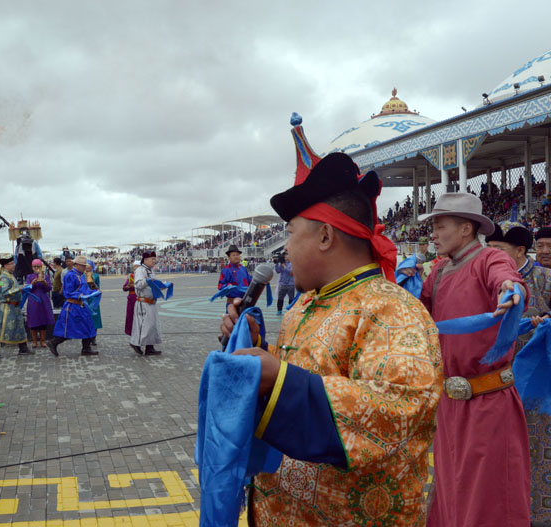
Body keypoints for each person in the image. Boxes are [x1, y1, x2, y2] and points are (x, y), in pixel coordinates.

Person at [220, 120, 441, 525]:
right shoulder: (304, 304)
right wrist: (259, 350)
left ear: (325, 236)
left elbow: (400, 406)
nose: (285, 249)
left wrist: (279, 380)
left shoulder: (392, 309)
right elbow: (309, 369)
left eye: (290, 234)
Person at [416, 193, 531, 526]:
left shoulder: (489, 258)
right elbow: (416, 313)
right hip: (449, 406)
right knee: (451, 492)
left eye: (440, 226)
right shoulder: (439, 271)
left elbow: (506, 278)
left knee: (490, 499)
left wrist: (510, 289)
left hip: (488, 402)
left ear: (466, 228)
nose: (433, 235)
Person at [486, 224, 551, 524]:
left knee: (536, 449)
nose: (490, 256)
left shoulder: (544, 278)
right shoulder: (487, 282)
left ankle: (537, 515)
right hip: (493, 381)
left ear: (520, 251)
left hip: (535, 385)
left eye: (498, 251)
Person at [47, 255, 97, 357]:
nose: (85, 267)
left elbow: (85, 289)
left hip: (82, 306)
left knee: (88, 326)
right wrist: (80, 295)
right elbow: (68, 292)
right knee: (69, 328)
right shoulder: (70, 275)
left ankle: (86, 348)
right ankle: (53, 342)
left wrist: (94, 291)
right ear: (77, 265)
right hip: (73, 306)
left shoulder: (81, 275)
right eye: (83, 266)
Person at [0, 257, 32, 355]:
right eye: (11, 263)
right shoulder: (4, 277)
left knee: (20, 328)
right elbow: (5, 292)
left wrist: (21, 288)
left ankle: (23, 348)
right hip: (7, 308)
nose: (14, 265)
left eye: (13, 263)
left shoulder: (11, 275)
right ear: (5, 266)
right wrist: (19, 289)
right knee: (2, 329)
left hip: (15, 307)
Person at [130, 251, 162, 356]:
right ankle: (135, 343)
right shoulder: (140, 270)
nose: (154, 261)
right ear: (146, 260)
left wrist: (163, 286)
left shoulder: (150, 270)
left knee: (151, 325)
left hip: (151, 301)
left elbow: (154, 284)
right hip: (143, 301)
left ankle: (150, 347)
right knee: (142, 325)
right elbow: (138, 285)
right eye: (152, 259)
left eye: (154, 259)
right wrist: (147, 281)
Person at [26, 259, 55, 349]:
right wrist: (32, 283)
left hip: (43, 300)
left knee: (43, 319)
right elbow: (27, 289)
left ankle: (43, 340)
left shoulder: (45, 276)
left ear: (41, 267)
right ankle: (34, 341)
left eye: (38, 266)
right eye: (34, 267)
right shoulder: (29, 276)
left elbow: (49, 288)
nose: (36, 268)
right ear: (32, 267)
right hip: (33, 300)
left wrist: (44, 282)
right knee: (34, 319)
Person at [85, 260, 102, 346]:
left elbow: (98, 288)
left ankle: (93, 338)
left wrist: (94, 284)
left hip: (93, 299)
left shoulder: (96, 276)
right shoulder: (81, 276)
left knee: (95, 318)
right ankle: (87, 337)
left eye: (89, 265)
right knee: (86, 318)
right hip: (85, 299)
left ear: (92, 266)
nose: (87, 267)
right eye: (86, 265)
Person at [122, 261, 140, 336]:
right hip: (131, 299)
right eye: (135, 266)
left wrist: (135, 286)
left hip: (140, 298)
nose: (136, 268)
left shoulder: (142, 276)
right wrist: (127, 287)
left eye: (138, 266)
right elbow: (124, 288)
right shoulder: (130, 276)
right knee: (130, 315)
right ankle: (130, 331)